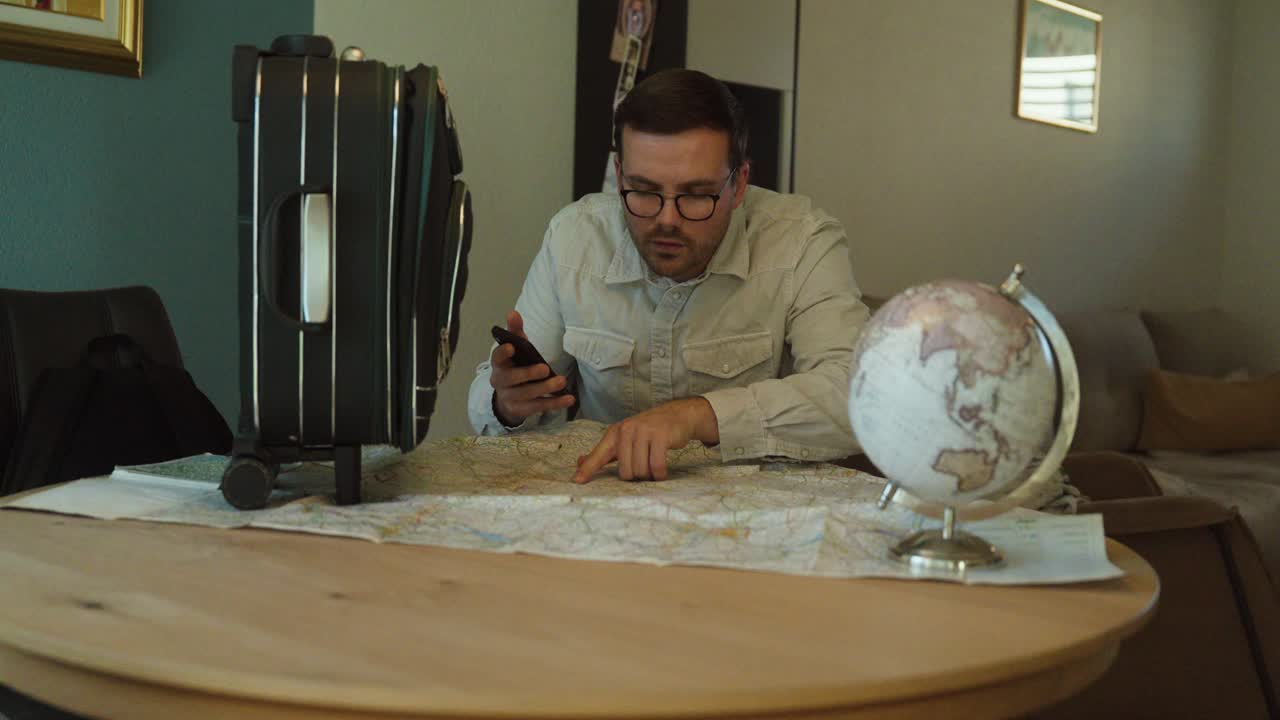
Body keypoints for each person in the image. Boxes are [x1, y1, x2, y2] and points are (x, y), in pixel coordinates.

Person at [467, 69, 869, 483]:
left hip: (746, 517)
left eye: (696, 195)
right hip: (599, 503)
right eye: (643, 190)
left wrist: (699, 415)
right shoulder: (574, 238)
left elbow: (858, 398)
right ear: (620, 175)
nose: (667, 220)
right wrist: (508, 404)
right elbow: (491, 412)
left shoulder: (802, 240)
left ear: (740, 183)